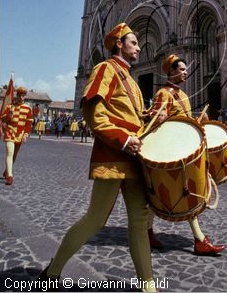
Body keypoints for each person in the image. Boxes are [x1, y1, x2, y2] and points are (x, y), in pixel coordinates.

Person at [38, 23, 156, 292]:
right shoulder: (105, 69)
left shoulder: (132, 82)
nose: (139, 47)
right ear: (119, 44)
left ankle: (149, 286)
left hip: (135, 160)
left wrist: (151, 117)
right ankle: (52, 272)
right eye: (134, 43)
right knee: (95, 219)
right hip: (113, 158)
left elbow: (132, 117)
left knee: (139, 220)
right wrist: (124, 140)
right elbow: (94, 113)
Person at [148, 54, 227, 256]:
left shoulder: (183, 95)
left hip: (183, 149)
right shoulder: (163, 94)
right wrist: (159, 119)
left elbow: (185, 123)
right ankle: (199, 240)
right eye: (181, 69)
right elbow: (153, 123)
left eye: (185, 69)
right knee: (185, 193)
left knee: (167, 195)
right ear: (171, 72)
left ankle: (148, 231)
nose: (185, 73)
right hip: (169, 152)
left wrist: (199, 122)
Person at [0, 86, 32, 185]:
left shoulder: (28, 109)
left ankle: (6, 171)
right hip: (10, 132)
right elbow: (2, 118)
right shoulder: (10, 107)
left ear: (24, 97)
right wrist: (9, 115)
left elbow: (28, 123)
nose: (21, 97)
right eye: (19, 95)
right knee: (10, 152)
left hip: (20, 134)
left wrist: (26, 133)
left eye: (23, 96)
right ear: (16, 95)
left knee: (14, 156)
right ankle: (10, 176)